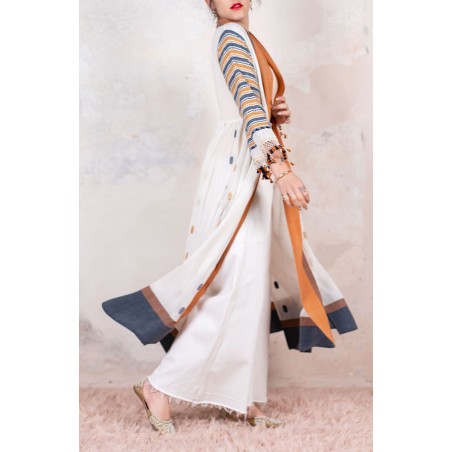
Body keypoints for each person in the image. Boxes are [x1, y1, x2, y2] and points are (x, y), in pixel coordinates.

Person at [102, 0, 358, 436]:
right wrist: (280, 167)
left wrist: (276, 112)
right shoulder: (232, 37)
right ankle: (158, 386)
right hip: (242, 171)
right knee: (236, 280)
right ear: (209, 1)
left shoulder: (244, 38)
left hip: (246, 165)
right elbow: (249, 108)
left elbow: (254, 105)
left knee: (249, 283)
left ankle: (239, 396)